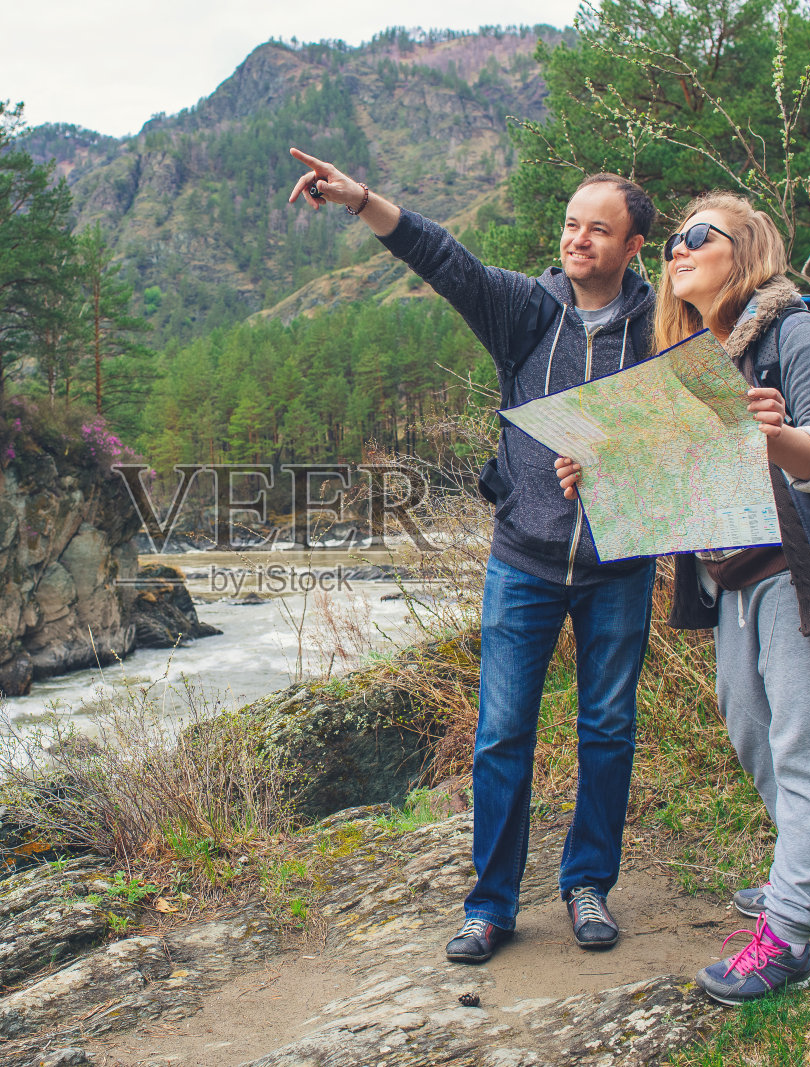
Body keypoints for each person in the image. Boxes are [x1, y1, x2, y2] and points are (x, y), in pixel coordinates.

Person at [287, 147, 658, 960]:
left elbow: (691, 435)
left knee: (607, 728)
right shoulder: (527, 310)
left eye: (599, 230)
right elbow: (443, 257)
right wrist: (360, 201)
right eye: (570, 224)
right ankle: (490, 905)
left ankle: (588, 882)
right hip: (523, 556)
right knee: (500, 735)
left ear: (635, 247)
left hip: (622, 563)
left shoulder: (666, 326)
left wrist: (621, 462)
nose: (578, 240)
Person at [558, 191, 810, 1004]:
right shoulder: (703, 359)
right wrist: (602, 474)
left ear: (747, 249)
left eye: (697, 236)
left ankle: (787, 938)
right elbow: (686, 485)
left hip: (805, 576)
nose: (677, 249)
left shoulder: (802, 336)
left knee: (807, 750)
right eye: (670, 240)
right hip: (734, 584)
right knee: (753, 733)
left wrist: (779, 439)